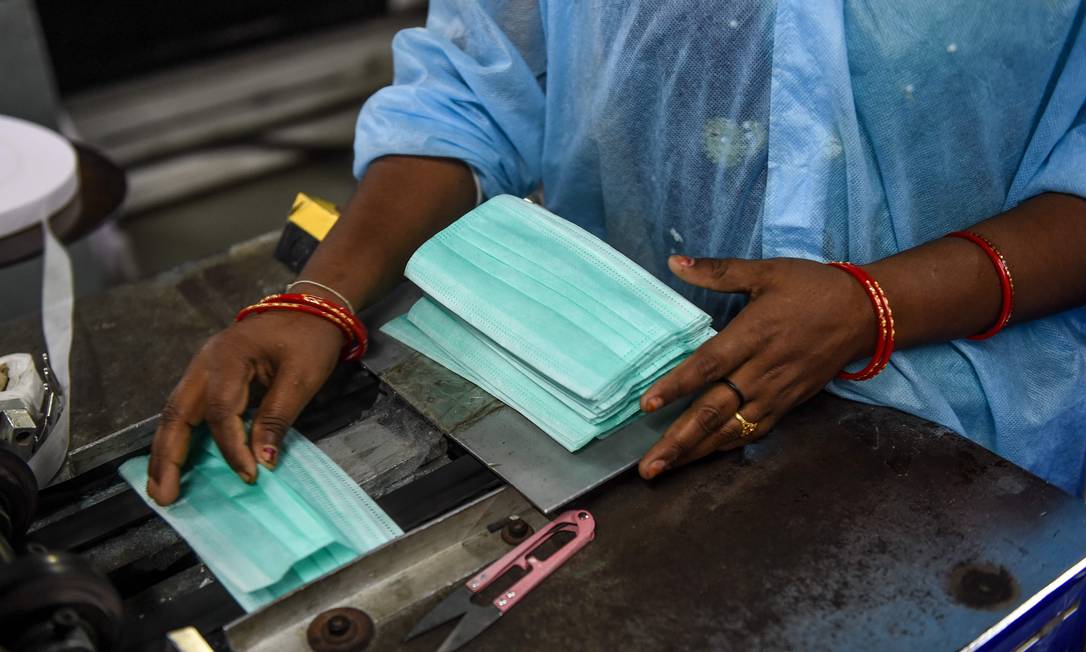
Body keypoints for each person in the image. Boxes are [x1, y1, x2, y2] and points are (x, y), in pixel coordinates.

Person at [147, 1, 1086, 506]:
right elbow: (473, 95)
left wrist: (874, 304)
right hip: (621, 390)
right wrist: (318, 298)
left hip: (958, 436)